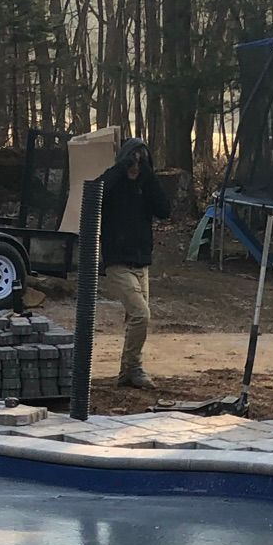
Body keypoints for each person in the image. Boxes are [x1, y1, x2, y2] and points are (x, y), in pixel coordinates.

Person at [100, 137, 171, 391]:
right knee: (142, 315)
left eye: (139, 165)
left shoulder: (145, 185)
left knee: (134, 319)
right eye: (132, 163)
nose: (134, 169)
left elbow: (164, 209)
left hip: (141, 262)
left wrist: (148, 174)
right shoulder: (113, 182)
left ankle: (127, 373)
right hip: (117, 262)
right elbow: (99, 190)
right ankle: (135, 368)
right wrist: (122, 167)